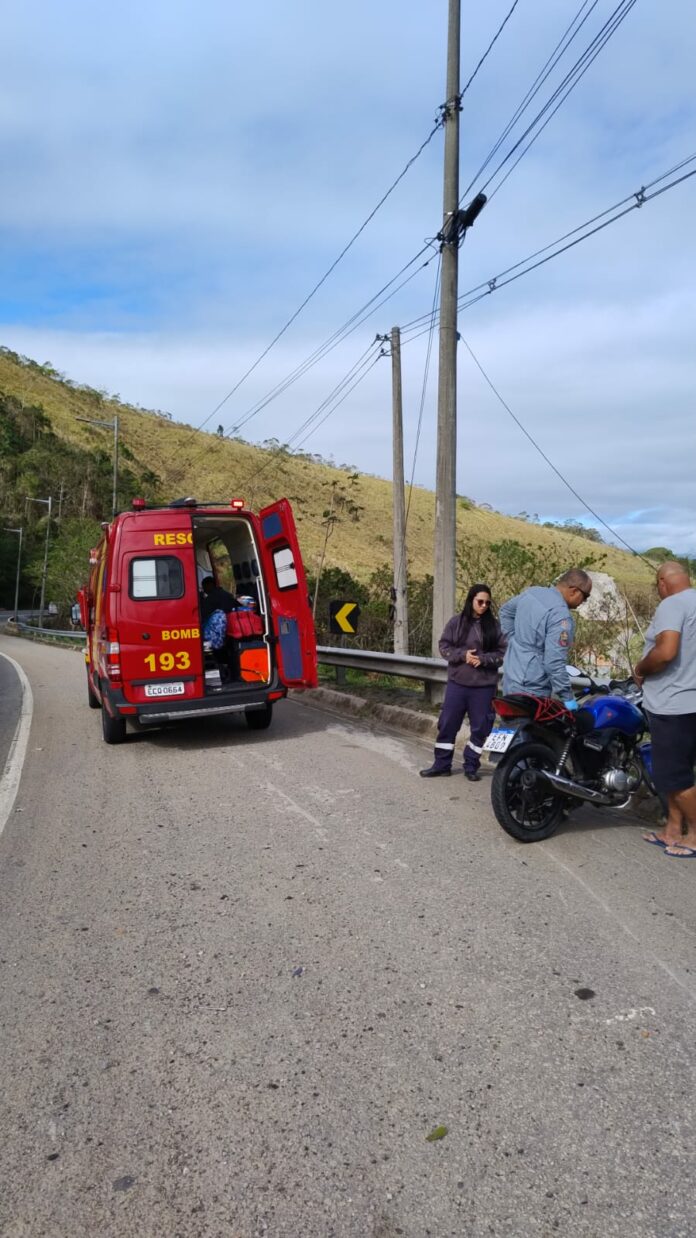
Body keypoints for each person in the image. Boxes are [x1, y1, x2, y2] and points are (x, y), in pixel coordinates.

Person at [634, 561, 696, 859]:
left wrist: (641, 669)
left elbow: (666, 652)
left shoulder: (672, 604)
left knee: (676, 776)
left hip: (673, 703)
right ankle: (672, 830)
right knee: (675, 774)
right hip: (690, 703)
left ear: (662, 582)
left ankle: (694, 836)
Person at [420, 584, 507, 780]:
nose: (483, 606)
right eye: (480, 601)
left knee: (481, 727)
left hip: (484, 688)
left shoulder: (494, 626)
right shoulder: (456, 623)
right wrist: (462, 655)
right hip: (457, 685)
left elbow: (501, 654)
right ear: (471, 600)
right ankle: (441, 765)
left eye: (487, 602)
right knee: (448, 724)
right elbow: (444, 646)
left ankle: (471, 766)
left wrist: (483, 659)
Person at [499, 568, 593, 709]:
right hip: (532, 686)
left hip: (511, 675)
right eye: (585, 596)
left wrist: (513, 641)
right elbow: (554, 662)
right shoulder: (561, 616)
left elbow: (505, 612)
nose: (583, 601)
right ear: (573, 590)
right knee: (531, 729)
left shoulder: (532, 593)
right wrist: (567, 697)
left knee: (510, 727)